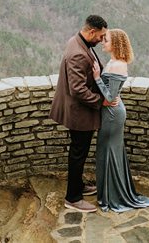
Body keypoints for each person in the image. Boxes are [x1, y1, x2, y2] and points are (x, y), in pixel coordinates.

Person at [49, 15, 119, 213]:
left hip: (80, 112)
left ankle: (78, 186)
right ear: (91, 32)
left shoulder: (78, 42)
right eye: (101, 35)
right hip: (79, 114)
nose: (102, 39)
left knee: (78, 152)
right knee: (78, 154)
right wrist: (101, 101)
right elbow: (78, 89)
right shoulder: (78, 54)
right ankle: (73, 198)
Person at [92, 28, 149, 212]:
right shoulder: (112, 62)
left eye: (106, 40)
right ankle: (108, 192)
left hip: (112, 114)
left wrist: (96, 78)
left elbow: (110, 98)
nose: (103, 42)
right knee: (105, 150)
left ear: (116, 43)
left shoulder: (119, 64)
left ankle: (114, 196)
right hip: (108, 113)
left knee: (110, 151)